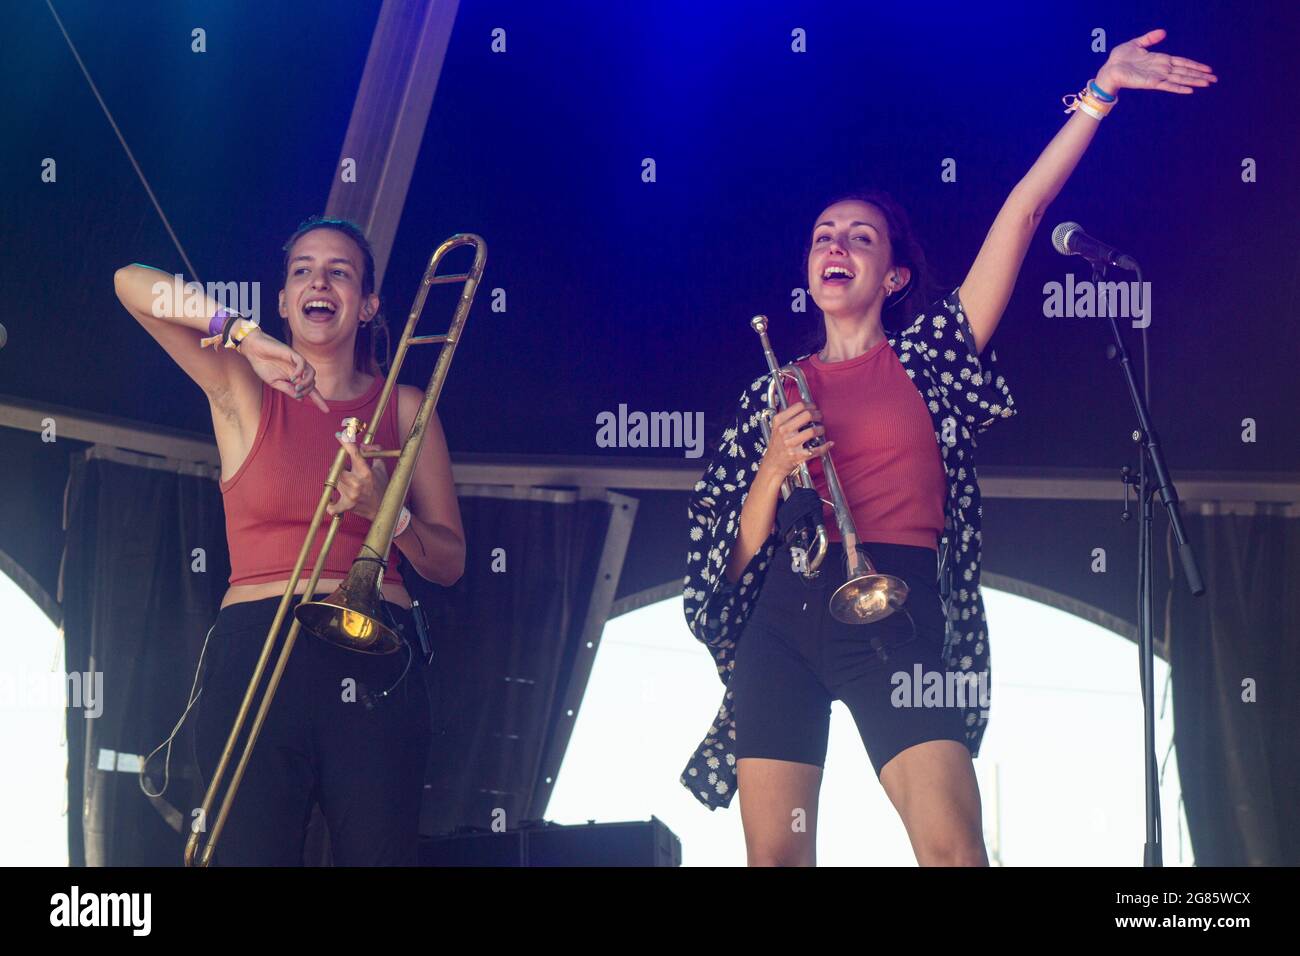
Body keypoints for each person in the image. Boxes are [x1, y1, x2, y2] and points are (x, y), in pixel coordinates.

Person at [681, 30, 1215, 865]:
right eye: (824, 234)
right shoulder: (769, 392)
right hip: (780, 620)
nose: (836, 246)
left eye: (860, 237)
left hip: (896, 607)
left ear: (893, 275)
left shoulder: (928, 355)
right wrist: (774, 469)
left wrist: (1101, 92)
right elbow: (729, 557)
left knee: (954, 853)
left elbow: (1023, 212)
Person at [115, 216, 466, 865]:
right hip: (257, 648)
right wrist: (241, 335)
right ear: (283, 300)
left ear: (367, 305)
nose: (319, 280)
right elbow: (131, 283)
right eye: (302, 269)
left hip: (375, 651)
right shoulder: (242, 384)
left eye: (340, 271)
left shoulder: (409, 408)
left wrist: (394, 514)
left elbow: (449, 563)